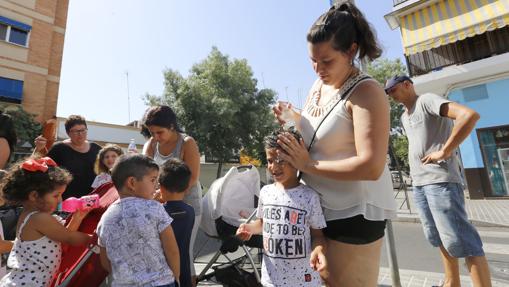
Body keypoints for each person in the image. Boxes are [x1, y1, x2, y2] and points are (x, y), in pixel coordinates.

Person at [272, 3, 397, 285]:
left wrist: (307, 165)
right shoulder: (320, 86)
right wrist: (293, 118)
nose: (318, 69)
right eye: (312, 61)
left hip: (354, 213)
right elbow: (321, 133)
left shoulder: (367, 92)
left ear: (351, 51)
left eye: (326, 61)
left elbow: (371, 166)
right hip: (321, 209)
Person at [385, 75, 492, 287]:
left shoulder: (427, 101)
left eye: (393, 90)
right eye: (388, 93)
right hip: (419, 183)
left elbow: (468, 116)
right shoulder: (404, 117)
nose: (391, 95)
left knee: (463, 241)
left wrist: (445, 151)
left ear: (407, 84)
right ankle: (452, 283)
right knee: (438, 238)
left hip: (440, 181)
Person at [236, 128, 327, 287]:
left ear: (296, 160)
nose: (273, 166)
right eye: (270, 161)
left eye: (281, 160)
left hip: (303, 280)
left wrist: (318, 250)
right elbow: (263, 223)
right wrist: (249, 228)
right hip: (272, 279)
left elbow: (318, 235)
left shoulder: (310, 197)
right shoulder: (266, 192)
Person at [0, 157, 92, 286]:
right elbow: (69, 237)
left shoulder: (30, 216)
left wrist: (77, 218)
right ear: (34, 196)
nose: (60, 200)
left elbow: (62, 235)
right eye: (56, 195)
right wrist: (97, 239)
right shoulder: (38, 218)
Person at [97, 154, 180, 287]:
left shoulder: (105, 218)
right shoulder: (155, 208)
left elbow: (105, 262)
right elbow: (172, 250)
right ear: (132, 183)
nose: (156, 185)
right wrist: (176, 276)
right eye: (153, 180)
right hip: (160, 282)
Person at [142, 105, 202, 286]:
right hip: (160, 205)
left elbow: (192, 177)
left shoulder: (187, 143)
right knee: (164, 252)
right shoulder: (151, 144)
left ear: (172, 126)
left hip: (187, 205)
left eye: (159, 132)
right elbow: (144, 173)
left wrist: (168, 194)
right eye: (152, 133)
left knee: (184, 254)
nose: (156, 137)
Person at [34, 115, 101, 199]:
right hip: (66, 200)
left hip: (92, 200)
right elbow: (41, 167)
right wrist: (38, 148)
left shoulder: (96, 148)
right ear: (68, 133)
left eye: (83, 130)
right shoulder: (59, 148)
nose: (80, 134)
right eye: (76, 131)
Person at [159, 158, 194, 287]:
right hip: (184, 267)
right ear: (187, 188)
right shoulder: (190, 211)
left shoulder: (159, 212)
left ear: (161, 187)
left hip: (164, 270)